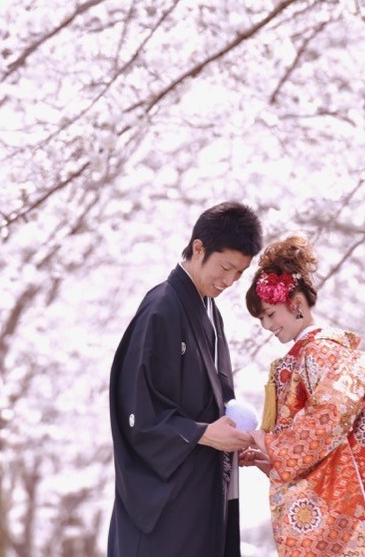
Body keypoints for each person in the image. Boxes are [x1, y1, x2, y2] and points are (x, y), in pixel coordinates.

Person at [107, 201, 264, 557]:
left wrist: (233, 434)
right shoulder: (162, 307)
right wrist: (202, 433)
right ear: (198, 248)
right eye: (225, 267)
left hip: (198, 494)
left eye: (238, 273)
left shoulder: (210, 311)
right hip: (165, 507)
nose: (229, 281)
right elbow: (138, 412)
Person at [239, 235, 365, 556]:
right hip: (348, 498)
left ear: (296, 304)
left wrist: (271, 444)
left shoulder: (320, 352)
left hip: (353, 505)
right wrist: (273, 460)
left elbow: (329, 416)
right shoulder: (312, 354)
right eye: (261, 318)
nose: (266, 325)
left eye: (270, 314)